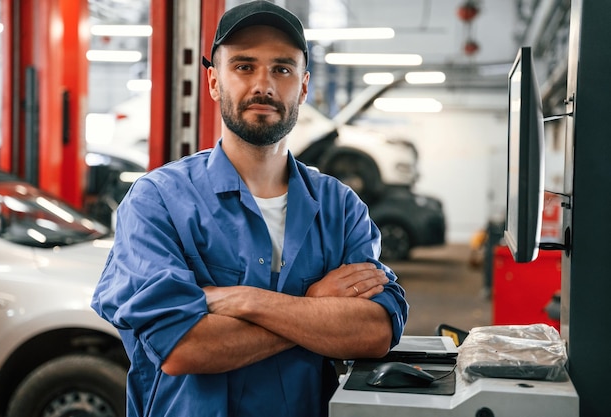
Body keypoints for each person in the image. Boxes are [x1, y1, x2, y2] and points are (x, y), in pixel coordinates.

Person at [91, 1, 408, 416]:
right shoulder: (159, 200)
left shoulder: (340, 208)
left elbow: (375, 329)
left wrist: (245, 301)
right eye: (243, 66)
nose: (264, 85)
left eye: (282, 69)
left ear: (304, 85)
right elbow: (183, 346)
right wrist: (313, 307)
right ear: (214, 82)